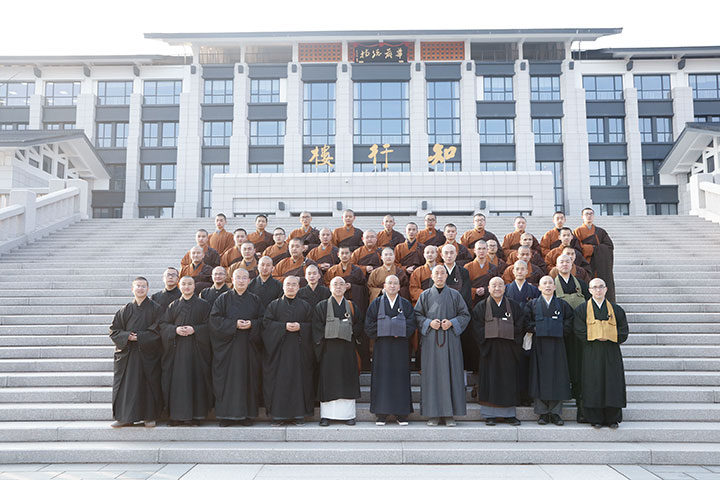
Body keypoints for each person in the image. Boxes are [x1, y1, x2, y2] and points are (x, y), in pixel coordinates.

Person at [414, 265, 471, 427]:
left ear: (447, 276)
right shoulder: (425, 295)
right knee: (432, 376)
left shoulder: (455, 295)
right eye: (436, 273)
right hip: (431, 340)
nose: (439, 276)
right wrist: (428, 322)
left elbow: (465, 315)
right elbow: (417, 315)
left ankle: (449, 414)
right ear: (431, 276)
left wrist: (452, 323)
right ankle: (433, 414)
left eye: (442, 273)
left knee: (451, 375)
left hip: (450, 340)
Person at [209, 268, 265, 426]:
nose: (241, 281)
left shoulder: (255, 299)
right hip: (228, 349)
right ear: (232, 280)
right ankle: (226, 416)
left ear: (249, 281)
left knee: (248, 380)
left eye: (244, 278)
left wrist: (252, 324)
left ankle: (246, 416)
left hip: (248, 348)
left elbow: (263, 320)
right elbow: (214, 320)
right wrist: (234, 325)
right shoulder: (223, 299)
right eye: (238, 278)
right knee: (227, 381)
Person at [574, 278, 628, 429]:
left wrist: (609, 335)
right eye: (594, 287)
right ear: (589, 290)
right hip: (591, 352)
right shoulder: (582, 309)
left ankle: (612, 418)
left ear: (606, 289)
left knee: (612, 383)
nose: (598, 290)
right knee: (593, 383)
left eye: (601, 287)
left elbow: (623, 331)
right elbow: (579, 330)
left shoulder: (616, 310)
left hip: (611, 352)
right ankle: (594, 418)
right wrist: (597, 335)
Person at [109, 277, 163, 428]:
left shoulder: (155, 308)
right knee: (127, 386)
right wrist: (127, 337)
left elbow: (159, 328)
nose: (140, 289)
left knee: (148, 384)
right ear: (132, 289)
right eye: (138, 286)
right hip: (128, 355)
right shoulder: (125, 310)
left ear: (148, 289)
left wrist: (141, 337)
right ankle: (125, 417)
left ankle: (149, 417)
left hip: (148, 353)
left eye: (143, 286)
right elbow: (114, 331)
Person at [159, 276, 213, 426]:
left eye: (190, 284)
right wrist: (175, 330)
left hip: (196, 350)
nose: (187, 287)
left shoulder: (203, 305)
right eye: (184, 284)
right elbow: (163, 325)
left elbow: (210, 325)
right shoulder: (173, 305)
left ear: (194, 286)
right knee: (177, 382)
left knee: (195, 381)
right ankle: (176, 416)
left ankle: (195, 416)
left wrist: (195, 329)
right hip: (177, 352)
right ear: (179, 286)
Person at [262, 276, 316, 426]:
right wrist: (282, 327)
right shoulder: (274, 305)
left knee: (299, 381)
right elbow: (266, 325)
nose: (291, 287)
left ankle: (298, 415)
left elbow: (313, 325)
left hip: (299, 352)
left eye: (294, 285)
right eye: (288, 285)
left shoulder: (305, 306)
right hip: (279, 352)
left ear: (298, 287)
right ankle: (278, 416)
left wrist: (302, 327)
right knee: (279, 383)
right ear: (283, 287)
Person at [472, 277, 524, 426]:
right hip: (489, 350)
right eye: (494, 285)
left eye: (500, 285)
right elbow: (476, 327)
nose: (497, 288)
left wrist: (503, 329)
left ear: (505, 288)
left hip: (509, 349)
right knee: (490, 381)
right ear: (488, 288)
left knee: (508, 381)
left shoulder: (513, 306)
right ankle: (490, 415)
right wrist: (496, 330)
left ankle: (509, 415)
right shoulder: (481, 307)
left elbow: (520, 324)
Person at [365, 275, 416, 426]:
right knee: (382, 379)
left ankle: (402, 414)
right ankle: (381, 414)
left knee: (400, 379)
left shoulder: (405, 304)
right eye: (389, 283)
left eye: (395, 283)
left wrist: (398, 330)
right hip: (382, 347)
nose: (392, 286)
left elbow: (412, 323)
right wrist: (387, 329)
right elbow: (368, 325)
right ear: (384, 287)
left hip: (400, 347)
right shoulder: (376, 303)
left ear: (400, 287)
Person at [524, 275, 575, 426]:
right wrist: (541, 328)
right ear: (539, 287)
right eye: (544, 283)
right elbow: (526, 322)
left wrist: (558, 329)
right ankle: (542, 413)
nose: (547, 286)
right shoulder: (532, 304)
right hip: (538, 345)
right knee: (539, 376)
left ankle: (556, 412)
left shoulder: (562, 304)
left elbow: (569, 321)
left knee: (557, 377)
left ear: (554, 287)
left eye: (550, 283)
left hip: (557, 345)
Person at [313, 276, 362, 426]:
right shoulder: (322, 306)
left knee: (347, 380)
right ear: (330, 287)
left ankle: (348, 415)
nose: (338, 287)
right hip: (329, 350)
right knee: (329, 380)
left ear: (346, 287)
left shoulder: (352, 306)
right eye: (335, 284)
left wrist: (346, 330)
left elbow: (359, 325)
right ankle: (326, 416)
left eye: (341, 284)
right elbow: (317, 327)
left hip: (347, 349)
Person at [553, 253, 591, 406]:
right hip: (560, 330)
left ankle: (578, 390)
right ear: (556, 265)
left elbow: (589, 303)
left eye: (567, 262)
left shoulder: (581, 284)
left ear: (572, 264)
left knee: (578, 362)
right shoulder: (552, 285)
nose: (564, 264)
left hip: (579, 331)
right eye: (561, 262)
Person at [324, 246, 370, 370]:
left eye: (347, 253)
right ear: (338, 255)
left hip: (352, 305)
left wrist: (353, 287)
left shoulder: (357, 270)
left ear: (350, 255)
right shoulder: (332, 270)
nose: (344, 255)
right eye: (342, 253)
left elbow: (364, 288)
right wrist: (339, 286)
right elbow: (327, 285)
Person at [574, 207, 616, 302]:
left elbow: (609, 246)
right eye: (586, 214)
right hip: (587, 264)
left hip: (600, 264)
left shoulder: (600, 232)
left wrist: (596, 249)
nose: (589, 216)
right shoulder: (578, 231)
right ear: (582, 217)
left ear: (593, 216)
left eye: (591, 214)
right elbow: (577, 248)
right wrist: (592, 249)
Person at [465, 240, 499, 307]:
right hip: (472, 302)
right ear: (474, 250)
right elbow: (464, 286)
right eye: (479, 249)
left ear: (487, 250)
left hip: (488, 301)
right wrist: (474, 291)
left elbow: (496, 285)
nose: (481, 251)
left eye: (484, 249)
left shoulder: (493, 268)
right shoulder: (467, 267)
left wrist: (485, 290)